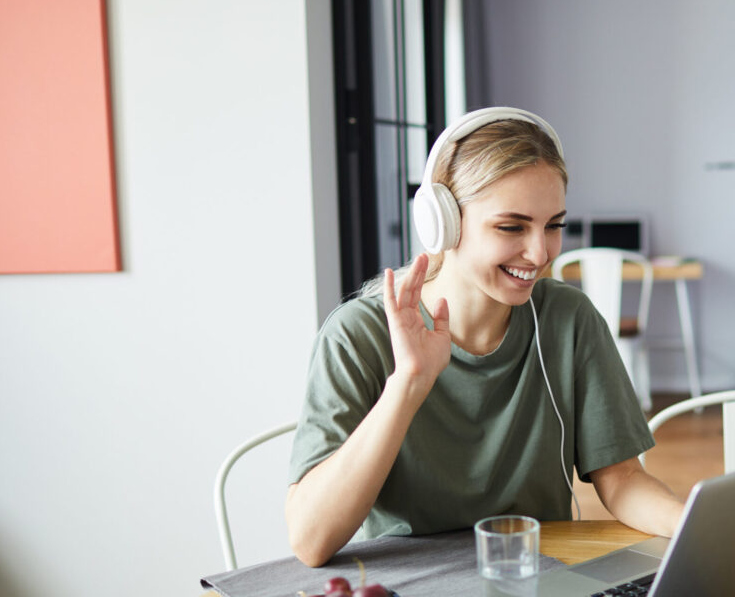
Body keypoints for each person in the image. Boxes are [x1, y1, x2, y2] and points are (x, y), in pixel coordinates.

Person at [285, 108, 685, 567]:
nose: (540, 253)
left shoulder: (568, 319)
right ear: (444, 224)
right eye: (511, 226)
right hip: (411, 584)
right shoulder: (359, 334)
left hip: (533, 576)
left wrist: (693, 522)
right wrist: (408, 383)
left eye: (554, 225)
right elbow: (310, 540)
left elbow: (623, 478)